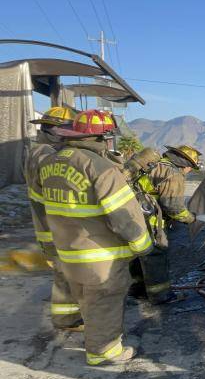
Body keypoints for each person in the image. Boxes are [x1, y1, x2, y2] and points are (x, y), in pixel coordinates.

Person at [39, 109, 153, 365]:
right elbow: (125, 215)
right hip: (100, 254)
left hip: (68, 249)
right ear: (103, 138)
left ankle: (87, 333)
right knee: (104, 299)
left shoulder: (50, 163)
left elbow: (40, 206)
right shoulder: (101, 168)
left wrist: (47, 246)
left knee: (83, 295)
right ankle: (104, 351)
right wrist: (143, 246)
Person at [26, 107, 83, 331]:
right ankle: (67, 319)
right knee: (65, 271)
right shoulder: (46, 154)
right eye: (70, 129)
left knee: (64, 271)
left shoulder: (39, 150)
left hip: (51, 221)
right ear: (56, 129)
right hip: (53, 223)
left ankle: (67, 316)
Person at [128, 145, 200, 305]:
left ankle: (138, 290)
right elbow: (173, 207)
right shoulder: (173, 174)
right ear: (186, 165)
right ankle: (160, 296)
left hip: (132, 216)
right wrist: (190, 218)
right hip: (151, 220)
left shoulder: (153, 165)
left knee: (138, 253)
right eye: (191, 168)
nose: (189, 172)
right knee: (156, 255)